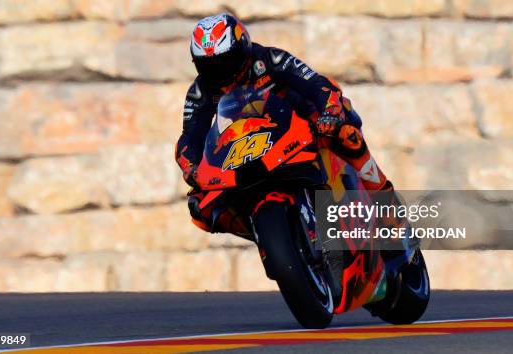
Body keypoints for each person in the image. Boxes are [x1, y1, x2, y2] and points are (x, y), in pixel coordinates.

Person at [175, 13, 409, 266]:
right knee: (202, 207)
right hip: (250, 147)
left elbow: (314, 83)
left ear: (242, 47)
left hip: (305, 123)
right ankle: (271, 235)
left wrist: (329, 111)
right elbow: (191, 136)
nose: (219, 72)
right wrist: (192, 168)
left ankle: (388, 211)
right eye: (209, 66)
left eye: (226, 61)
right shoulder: (201, 91)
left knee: (346, 136)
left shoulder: (269, 59)